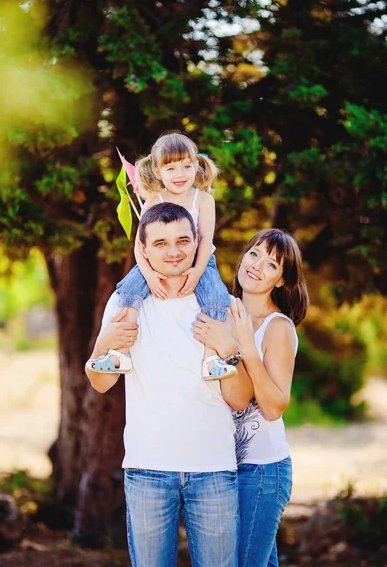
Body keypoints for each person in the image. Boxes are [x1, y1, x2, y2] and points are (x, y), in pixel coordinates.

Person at [85, 203, 253, 567]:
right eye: (160, 243)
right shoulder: (125, 302)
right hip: (148, 468)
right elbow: (100, 383)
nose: (173, 251)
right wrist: (103, 344)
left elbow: (239, 399)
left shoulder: (219, 304)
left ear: (197, 244)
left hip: (213, 469)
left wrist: (228, 348)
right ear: (142, 250)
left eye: (182, 240)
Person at [193, 228, 309, 567]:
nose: (256, 266)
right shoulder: (219, 311)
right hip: (218, 466)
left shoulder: (277, 327)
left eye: (271, 264)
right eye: (254, 253)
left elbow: (274, 407)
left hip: (261, 471)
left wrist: (242, 348)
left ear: (280, 281)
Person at [115, 131, 235, 380]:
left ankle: (211, 357)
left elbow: (206, 240)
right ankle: (122, 351)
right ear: (157, 171)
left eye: (186, 166)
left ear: (196, 166)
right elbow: (140, 246)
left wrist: (198, 271)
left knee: (216, 295)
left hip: (200, 257)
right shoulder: (153, 201)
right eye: (171, 169)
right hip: (155, 262)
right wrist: (148, 275)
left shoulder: (203, 200)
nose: (180, 174)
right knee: (129, 288)